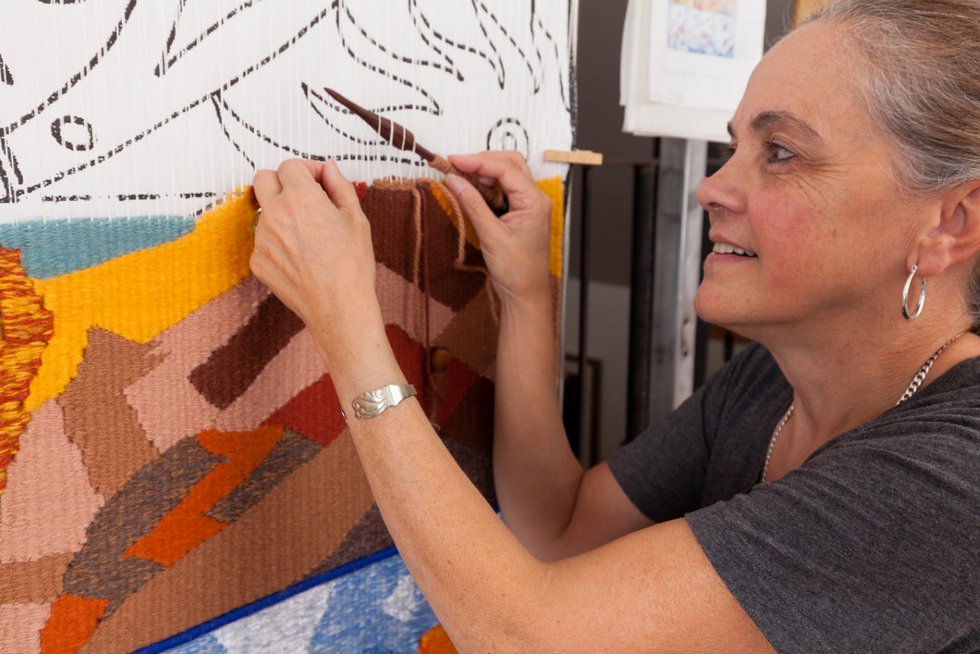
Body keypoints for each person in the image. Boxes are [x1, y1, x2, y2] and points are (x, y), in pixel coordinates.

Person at [249, 0, 980, 651]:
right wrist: (527, 292)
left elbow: (531, 638)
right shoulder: (777, 380)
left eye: (780, 153)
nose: (711, 186)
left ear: (949, 224)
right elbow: (560, 530)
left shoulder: (954, 482)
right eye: (734, 146)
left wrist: (347, 324)